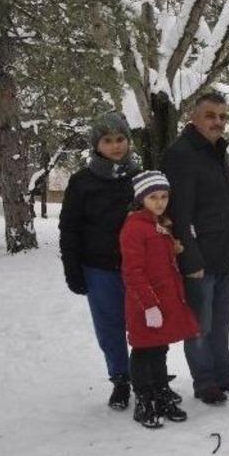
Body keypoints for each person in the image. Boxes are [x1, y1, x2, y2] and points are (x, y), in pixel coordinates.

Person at [162, 92, 229, 405]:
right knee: (199, 325)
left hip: (222, 254)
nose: (217, 122)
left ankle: (223, 374)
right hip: (199, 259)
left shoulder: (218, 151)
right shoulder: (182, 154)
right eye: (210, 115)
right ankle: (204, 381)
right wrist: (190, 258)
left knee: (221, 321)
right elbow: (178, 213)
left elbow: (226, 203)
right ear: (194, 117)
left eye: (222, 116)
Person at [59, 111, 140, 410]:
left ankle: (146, 376)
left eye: (120, 139)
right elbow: (69, 228)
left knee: (144, 324)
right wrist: (73, 269)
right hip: (99, 269)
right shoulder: (82, 182)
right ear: (97, 145)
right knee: (110, 326)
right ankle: (120, 379)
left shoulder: (140, 177)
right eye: (108, 140)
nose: (116, 146)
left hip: (137, 267)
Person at [120, 171, 200, 428]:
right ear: (141, 198)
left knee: (160, 348)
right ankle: (144, 398)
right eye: (153, 197)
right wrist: (149, 305)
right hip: (145, 303)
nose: (159, 202)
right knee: (144, 350)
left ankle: (161, 391)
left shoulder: (160, 224)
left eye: (164, 196)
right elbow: (133, 271)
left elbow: (159, 259)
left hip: (164, 300)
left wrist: (172, 248)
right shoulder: (134, 227)